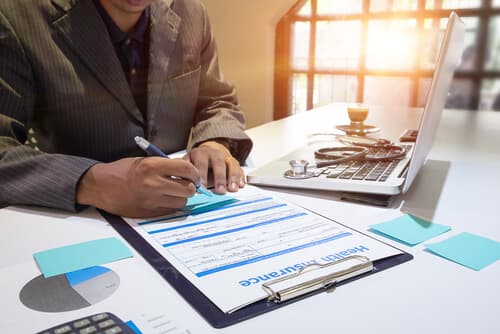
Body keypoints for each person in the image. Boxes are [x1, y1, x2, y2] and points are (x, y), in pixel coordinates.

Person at [0, 0, 252, 218]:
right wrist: (90, 182)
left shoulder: (191, 11)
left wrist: (215, 142)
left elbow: (217, 100)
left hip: (184, 211)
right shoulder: (16, 18)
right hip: (78, 221)